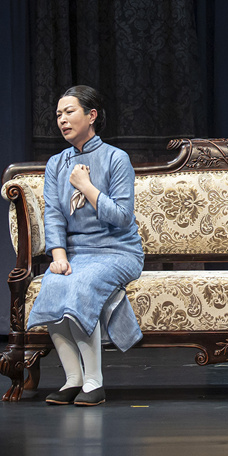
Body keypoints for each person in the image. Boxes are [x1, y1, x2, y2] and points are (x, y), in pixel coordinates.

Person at [26, 85, 144, 406]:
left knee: (81, 284)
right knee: (53, 285)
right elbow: (53, 213)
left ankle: (94, 382)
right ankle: (73, 379)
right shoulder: (56, 164)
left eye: (69, 112)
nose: (62, 120)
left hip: (118, 251)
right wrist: (59, 256)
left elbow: (122, 217)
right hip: (78, 252)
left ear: (91, 116)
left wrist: (86, 187)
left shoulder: (116, 158)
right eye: (58, 115)